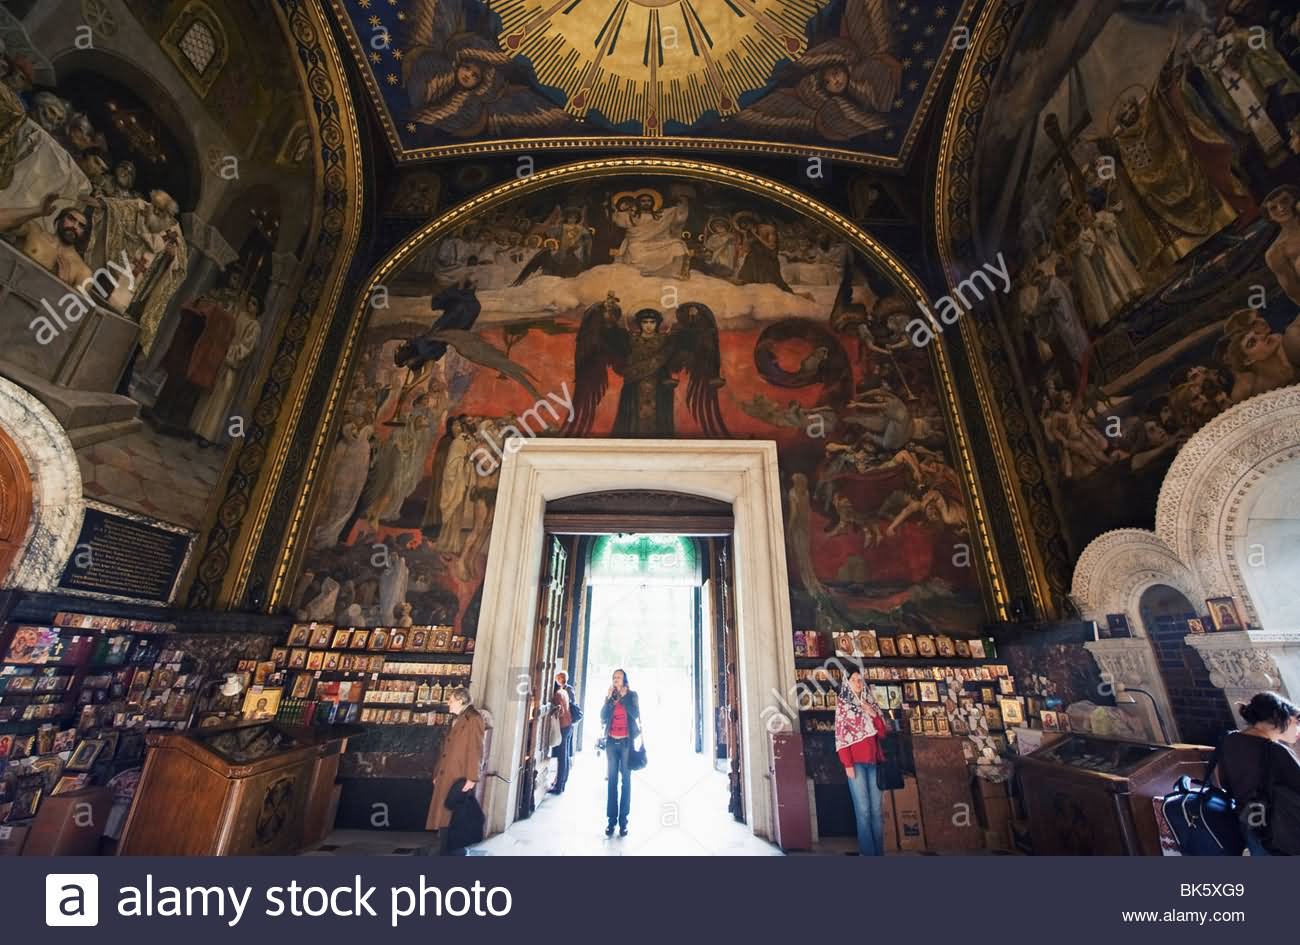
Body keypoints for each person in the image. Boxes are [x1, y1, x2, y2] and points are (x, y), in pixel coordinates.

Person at [1218, 692, 1300, 855]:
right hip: (1282, 830)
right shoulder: (1275, 751)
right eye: (1297, 722)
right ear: (1280, 717)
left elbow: (1224, 782)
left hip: (1250, 823)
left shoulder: (1229, 740)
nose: (1298, 729)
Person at [426, 687, 486, 855]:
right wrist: (437, 772)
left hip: (458, 774)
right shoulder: (457, 719)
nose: (448, 703)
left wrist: (472, 777)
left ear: (460, 701)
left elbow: (476, 749)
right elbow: (446, 748)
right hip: (448, 772)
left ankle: (452, 851)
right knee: (445, 814)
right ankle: (446, 849)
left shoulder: (473, 719)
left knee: (452, 813)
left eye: (451, 700)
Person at [836, 670, 889, 855]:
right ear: (847, 683)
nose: (858, 682)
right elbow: (841, 737)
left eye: (860, 679)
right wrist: (847, 764)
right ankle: (867, 854)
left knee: (876, 811)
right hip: (856, 765)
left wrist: (873, 714)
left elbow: (882, 733)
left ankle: (878, 853)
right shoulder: (843, 705)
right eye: (854, 679)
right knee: (864, 810)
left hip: (874, 762)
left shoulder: (870, 702)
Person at [599, 668, 640, 837]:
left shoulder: (632, 695)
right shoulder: (610, 696)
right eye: (614, 677)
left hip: (626, 744)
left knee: (626, 782)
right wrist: (609, 699)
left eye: (619, 677)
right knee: (612, 783)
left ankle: (624, 822)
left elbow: (636, 714)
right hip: (611, 743)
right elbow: (602, 716)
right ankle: (611, 821)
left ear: (625, 680)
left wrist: (623, 698)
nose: (616, 680)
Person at [548, 673, 573, 795]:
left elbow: (561, 712)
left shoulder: (558, 694)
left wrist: (553, 710)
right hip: (568, 725)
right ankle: (562, 784)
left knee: (562, 757)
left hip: (562, 727)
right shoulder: (564, 691)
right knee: (565, 756)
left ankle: (559, 786)